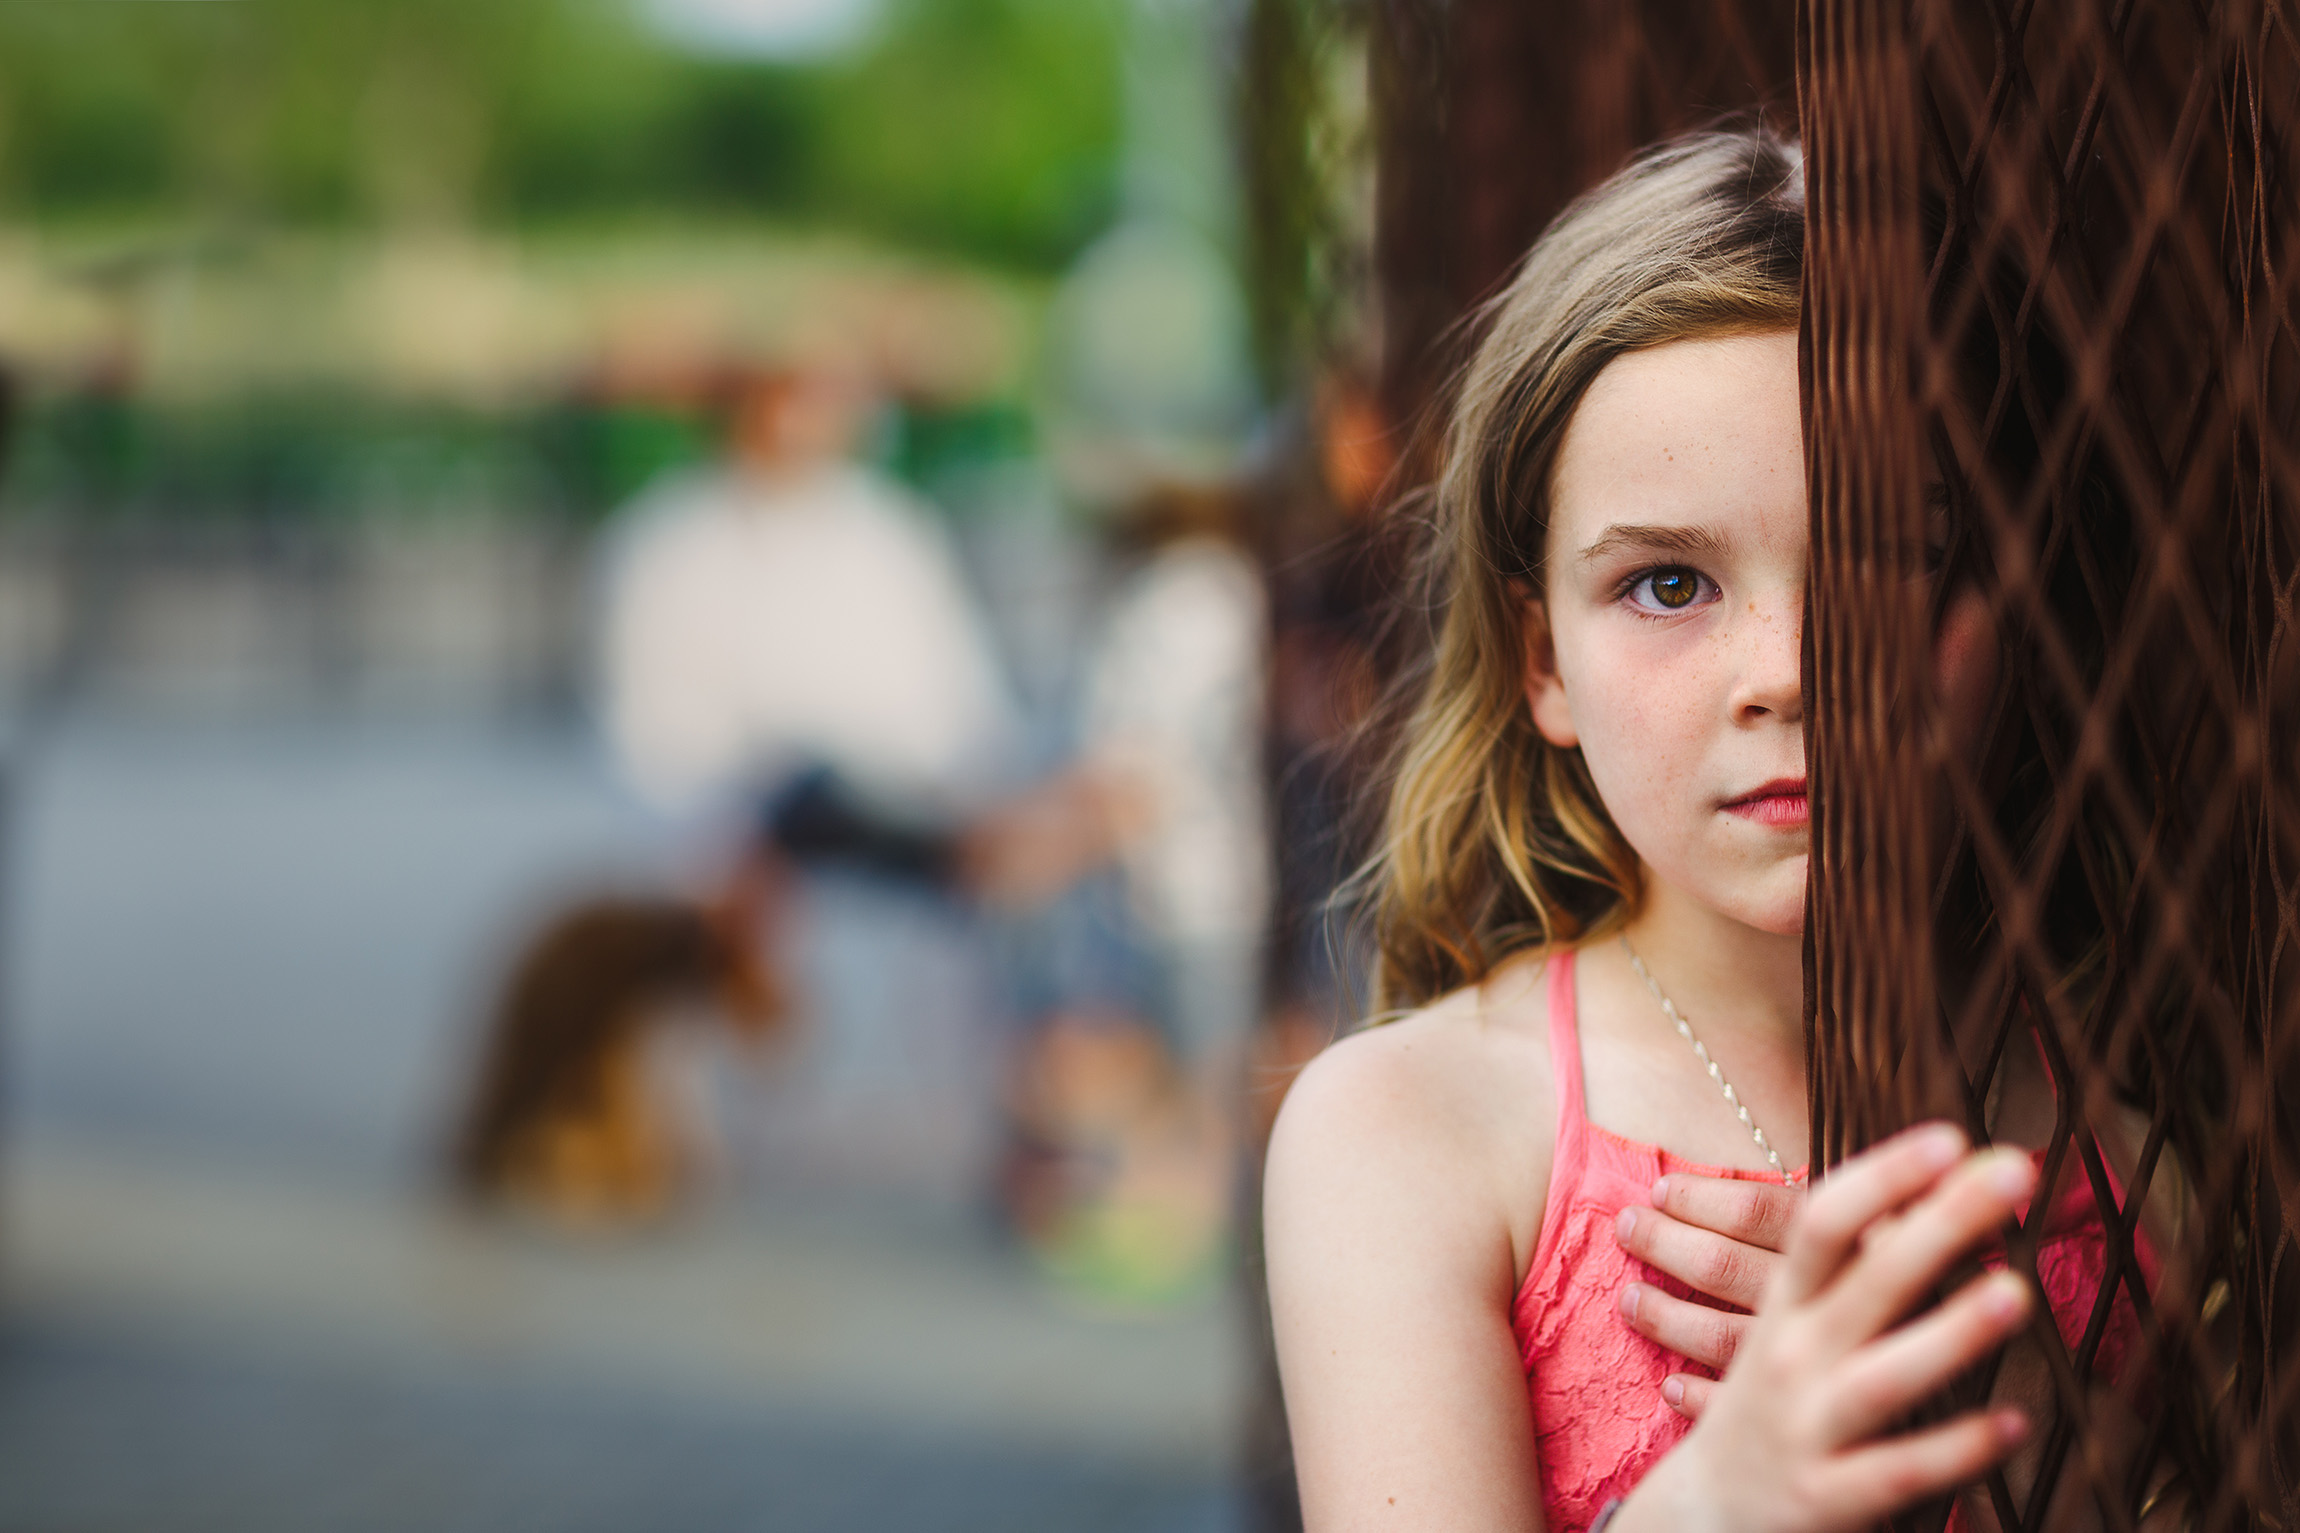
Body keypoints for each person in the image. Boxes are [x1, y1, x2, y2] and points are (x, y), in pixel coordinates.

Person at [1262, 129, 2181, 1532]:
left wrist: (2029, 1456)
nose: (1790, 669)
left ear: (2021, 607)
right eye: (1670, 581)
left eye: (1894, 558)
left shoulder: (2125, 1155)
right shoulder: (1414, 1134)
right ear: (1544, 664)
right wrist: (1726, 1501)